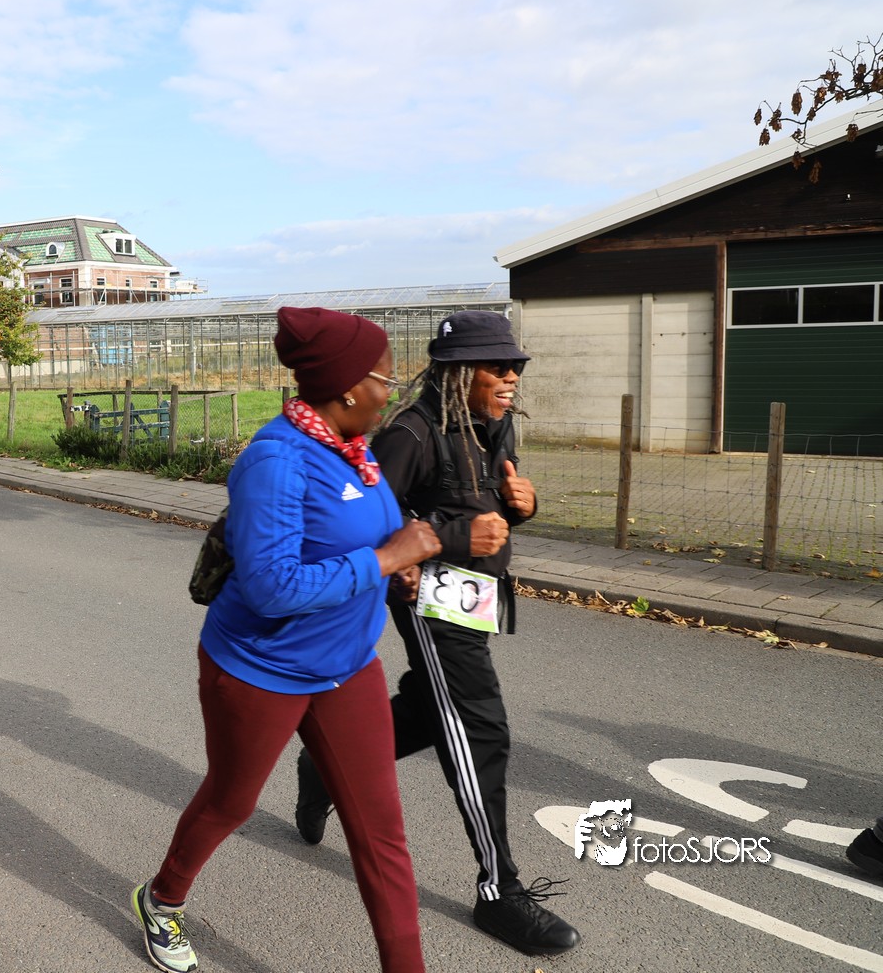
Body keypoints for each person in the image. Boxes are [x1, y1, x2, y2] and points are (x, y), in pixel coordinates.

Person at [130, 307, 441, 973]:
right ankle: (161, 899)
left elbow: (368, 533)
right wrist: (385, 560)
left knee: (381, 835)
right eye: (387, 380)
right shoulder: (275, 461)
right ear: (348, 388)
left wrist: (398, 563)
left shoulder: (354, 448)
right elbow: (273, 588)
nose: (392, 393)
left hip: (346, 668)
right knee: (231, 800)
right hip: (257, 668)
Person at [291, 309, 581, 957]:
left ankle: (324, 770)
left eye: (515, 366)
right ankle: (499, 890)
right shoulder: (411, 434)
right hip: (429, 602)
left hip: (474, 600)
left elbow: (488, 501)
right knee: (480, 729)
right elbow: (364, 526)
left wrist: (523, 506)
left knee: (432, 709)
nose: (511, 377)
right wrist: (453, 537)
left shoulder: (494, 423)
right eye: (497, 367)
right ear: (457, 373)